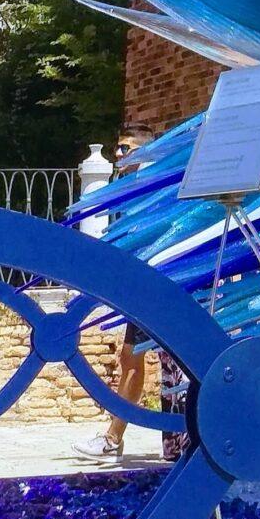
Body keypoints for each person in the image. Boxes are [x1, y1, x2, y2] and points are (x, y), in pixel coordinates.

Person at [91, 132, 154, 459]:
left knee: (131, 359)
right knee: (130, 358)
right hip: (139, 285)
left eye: (125, 147)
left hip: (155, 285)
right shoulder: (129, 190)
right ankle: (114, 438)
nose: (117, 154)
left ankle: (113, 439)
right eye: (117, 146)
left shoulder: (152, 188)